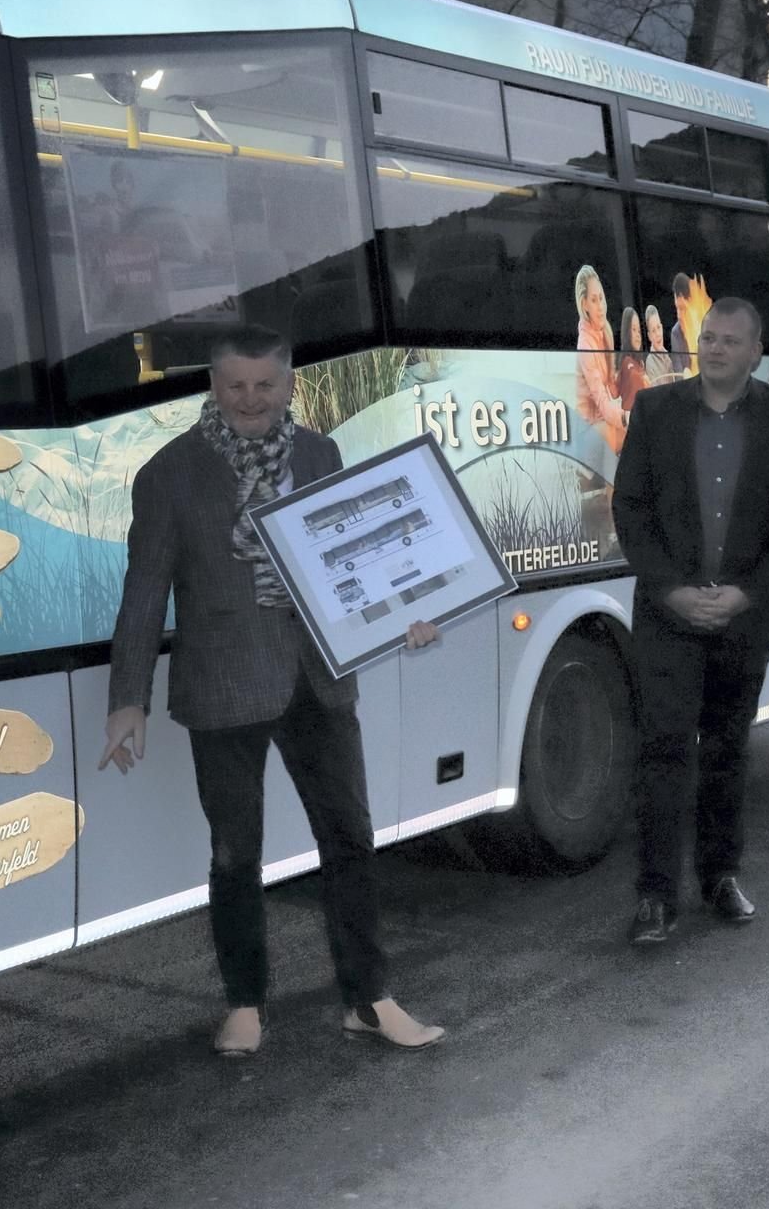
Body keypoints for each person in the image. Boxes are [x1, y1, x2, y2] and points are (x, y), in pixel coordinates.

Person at [98, 324, 445, 1054]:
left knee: (350, 839)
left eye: (264, 385)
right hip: (223, 685)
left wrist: (406, 614)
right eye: (236, 386)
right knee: (235, 854)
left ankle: (369, 999)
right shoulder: (169, 474)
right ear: (213, 386)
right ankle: (245, 1005)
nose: (250, 400)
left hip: (320, 677)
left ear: (288, 384)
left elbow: (359, 563)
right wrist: (128, 699)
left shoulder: (322, 455)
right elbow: (144, 594)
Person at [611, 297, 769, 944]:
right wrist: (671, 591)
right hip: (668, 620)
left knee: (727, 753)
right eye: (709, 337)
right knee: (664, 753)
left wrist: (746, 594)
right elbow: (631, 509)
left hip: (743, 622)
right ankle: (655, 897)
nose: (716, 348)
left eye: (731, 340)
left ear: (755, 352)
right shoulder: (655, 411)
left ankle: (720, 877)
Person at [573, 264, 627, 454]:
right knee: (620, 431)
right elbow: (603, 405)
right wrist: (626, 418)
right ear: (584, 304)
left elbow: (612, 389)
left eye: (601, 298)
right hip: (587, 430)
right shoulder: (585, 345)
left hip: (604, 421)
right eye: (594, 300)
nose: (601, 307)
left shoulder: (605, 331)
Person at [617, 305, 649, 407]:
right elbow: (634, 378)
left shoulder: (640, 363)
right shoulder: (626, 361)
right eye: (634, 329)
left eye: (639, 330)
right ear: (627, 332)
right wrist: (644, 379)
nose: (638, 335)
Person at [667, 272, 697, 374]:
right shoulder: (676, 333)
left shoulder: (704, 326)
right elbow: (679, 374)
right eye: (677, 308)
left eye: (683, 309)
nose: (679, 315)